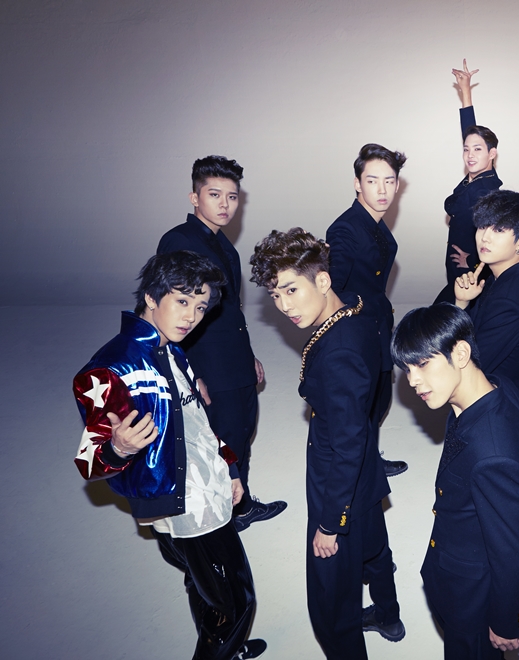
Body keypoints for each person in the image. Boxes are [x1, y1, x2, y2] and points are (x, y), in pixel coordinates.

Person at [72, 251, 266, 660]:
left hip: (204, 485)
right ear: (150, 297)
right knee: (237, 601)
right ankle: (223, 644)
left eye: (200, 307)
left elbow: (198, 425)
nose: (192, 316)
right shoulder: (111, 370)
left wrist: (229, 468)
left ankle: (226, 647)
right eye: (182, 301)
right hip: (185, 505)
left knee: (203, 587)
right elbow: (90, 462)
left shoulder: (172, 350)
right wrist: (119, 448)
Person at [249, 228, 403, 659]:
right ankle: (388, 615)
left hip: (338, 482)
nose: (284, 306)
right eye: (275, 295)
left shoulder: (339, 356)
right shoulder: (356, 305)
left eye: (291, 290)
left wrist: (330, 525)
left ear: (322, 280)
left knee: (330, 603)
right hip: (365, 477)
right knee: (374, 550)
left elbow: (347, 445)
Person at [391, 304, 519, 659]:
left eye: (423, 364)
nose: (413, 380)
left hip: (472, 593)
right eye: (407, 369)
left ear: (462, 354)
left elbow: (510, 546)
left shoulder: (492, 455)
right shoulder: (495, 387)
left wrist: (507, 619)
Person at [158, 155, 286, 531]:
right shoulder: (179, 241)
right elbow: (173, 313)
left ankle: (241, 506)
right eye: (214, 194)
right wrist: (188, 372)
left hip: (233, 359)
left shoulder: (220, 242)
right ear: (194, 197)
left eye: (232, 196)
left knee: (241, 430)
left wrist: (249, 356)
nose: (225, 204)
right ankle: (221, 519)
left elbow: (229, 310)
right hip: (208, 364)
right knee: (222, 438)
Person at [326, 143, 408, 477]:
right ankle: (356, 469)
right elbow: (332, 291)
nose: (382, 189)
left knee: (379, 398)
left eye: (389, 181)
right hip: (358, 331)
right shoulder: (346, 229)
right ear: (358, 184)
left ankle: (368, 460)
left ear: (397, 185)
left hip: (378, 325)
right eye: (372, 181)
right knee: (362, 403)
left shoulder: (375, 224)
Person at [453, 190, 519, 385]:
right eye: (482, 226)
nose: (485, 237)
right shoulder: (496, 280)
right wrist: (462, 302)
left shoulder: (509, 299)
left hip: (489, 398)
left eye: (499, 230)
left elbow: (469, 364)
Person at [434, 59, 503, 305]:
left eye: (478, 149)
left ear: (492, 154)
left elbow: (496, 237)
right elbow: (470, 132)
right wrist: (465, 93)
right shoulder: (477, 178)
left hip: (469, 274)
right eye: (466, 149)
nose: (470, 155)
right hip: (456, 267)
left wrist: (474, 263)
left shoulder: (488, 190)